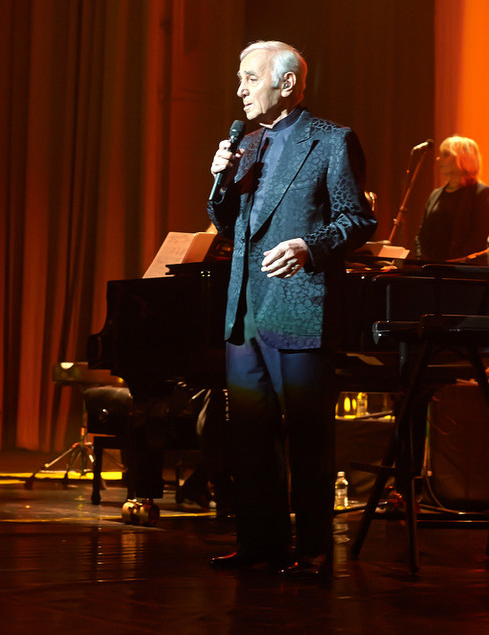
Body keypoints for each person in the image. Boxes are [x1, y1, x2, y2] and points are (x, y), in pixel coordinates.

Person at [205, 41, 377, 577]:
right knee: (250, 436)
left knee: (306, 434)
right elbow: (231, 227)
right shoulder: (247, 144)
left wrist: (311, 247)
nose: (239, 89)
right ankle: (262, 543)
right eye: (238, 78)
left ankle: (314, 550)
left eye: (249, 78)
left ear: (285, 84)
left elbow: (357, 220)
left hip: (300, 308)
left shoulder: (330, 140)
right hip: (245, 311)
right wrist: (220, 181)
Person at [414, 136, 489, 262]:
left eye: (446, 154)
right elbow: (421, 235)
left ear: (463, 159)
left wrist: (452, 262)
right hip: (433, 268)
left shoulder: (480, 193)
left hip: (464, 271)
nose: (438, 159)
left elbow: (478, 237)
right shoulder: (435, 194)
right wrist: (422, 258)